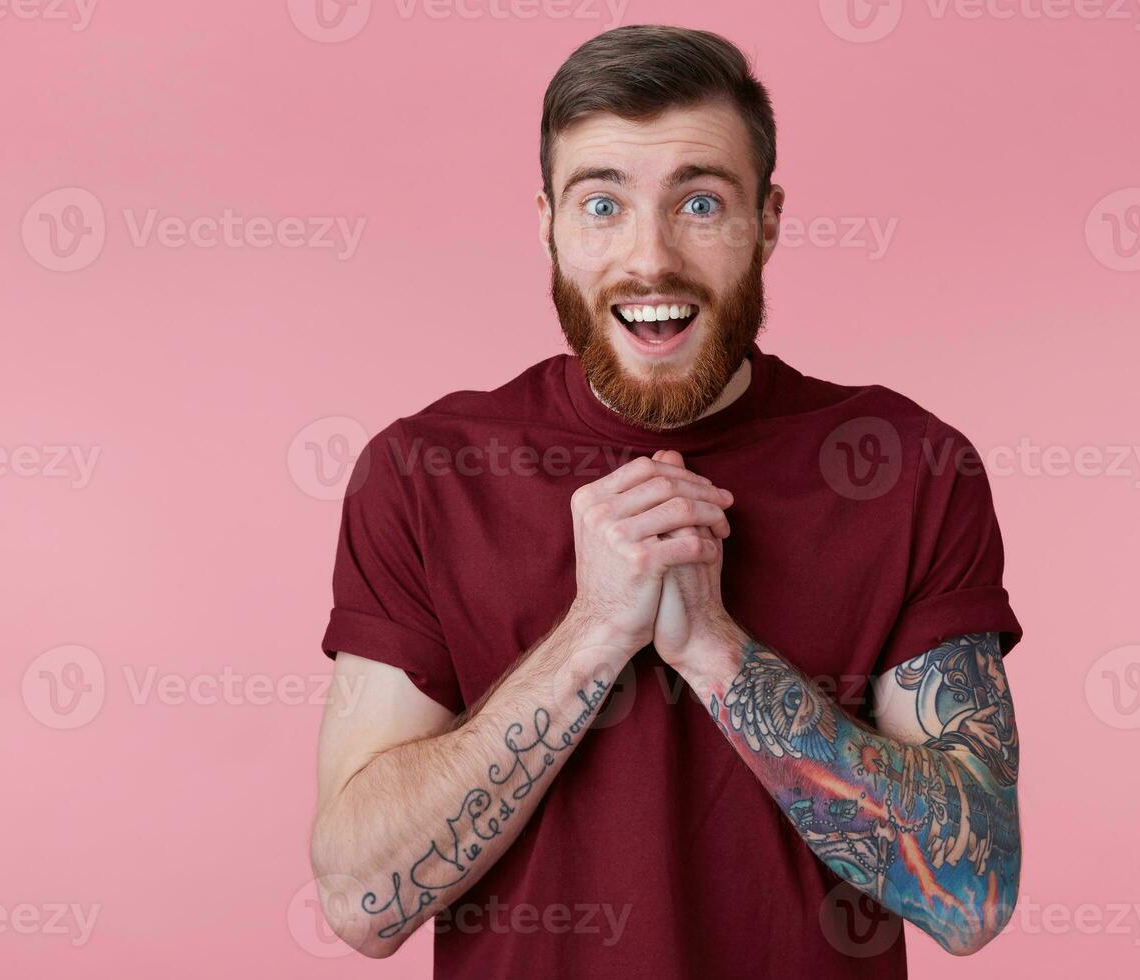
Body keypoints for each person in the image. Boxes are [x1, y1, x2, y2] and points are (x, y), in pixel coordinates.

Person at [310, 24, 1024, 979]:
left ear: (767, 221)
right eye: (602, 204)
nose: (651, 260)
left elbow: (971, 896)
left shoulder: (912, 470)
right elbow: (361, 901)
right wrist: (595, 632)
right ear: (548, 224)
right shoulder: (420, 474)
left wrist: (716, 651)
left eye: (699, 202)